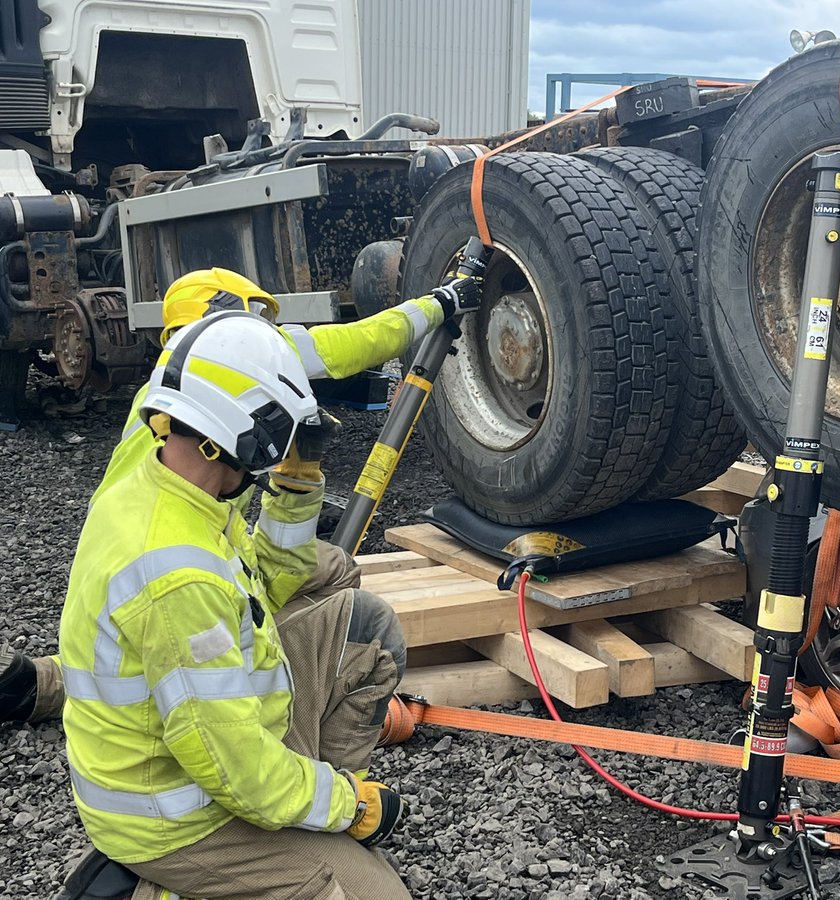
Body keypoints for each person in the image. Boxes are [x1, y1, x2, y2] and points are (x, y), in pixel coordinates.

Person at [1, 264, 481, 724]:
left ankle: (52, 682)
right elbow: (364, 339)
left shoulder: (164, 395)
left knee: (320, 568)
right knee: (194, 622)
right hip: (182, 561)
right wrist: (443, 302)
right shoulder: (233, 368)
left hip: (142, 561)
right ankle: (260, 681)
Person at [60, 311, 411, 899]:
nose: (273, 458)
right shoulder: (176, 574)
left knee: (363, 628)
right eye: (278, 444)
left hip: (214, 739)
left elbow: (269, 588)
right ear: (239, 433)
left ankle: (302, 822)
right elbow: (235, 768)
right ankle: (156, 886)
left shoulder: (170, 486)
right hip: (176, 816)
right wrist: (347, 807)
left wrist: (297, 487)